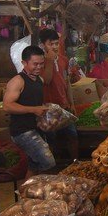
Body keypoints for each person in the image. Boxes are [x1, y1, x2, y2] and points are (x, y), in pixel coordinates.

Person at [3, 45, 55, 179]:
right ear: (24, 63)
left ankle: (26, 195)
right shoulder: (17, 81)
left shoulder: (39, 80)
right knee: (47, 162)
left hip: (36, 128)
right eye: (35, 64)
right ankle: (42, 193)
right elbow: (7, 106)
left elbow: (35, 102)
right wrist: (34, 110)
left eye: (41, 64)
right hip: (22, 131)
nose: (38, 67)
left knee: (34, 165)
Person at [39, 29, 78, 161]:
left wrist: (71, 104)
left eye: (56, 43)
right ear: (43, 45)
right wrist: (49, 61)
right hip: (48, 109)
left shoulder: (63, 60)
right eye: (51, 44)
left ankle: (75, 162)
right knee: (51, 139)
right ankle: (54, 168)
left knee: (72, 135)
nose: (55, 47)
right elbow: (47, 80)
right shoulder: (39, 62)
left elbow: (67, 83)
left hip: (64, 106)